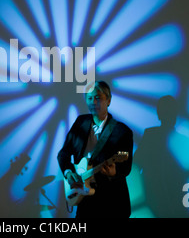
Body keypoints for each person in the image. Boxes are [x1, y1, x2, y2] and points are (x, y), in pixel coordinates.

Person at [57, 81, 133, 218]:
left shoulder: (122, 131)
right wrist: (69, 173)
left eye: (98, 97)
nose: (93, 102)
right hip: (85, 200)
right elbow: (63, 154)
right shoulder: (81, 122)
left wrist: (114, 172)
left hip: (112, 202)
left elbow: (126, 167)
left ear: (108, 100)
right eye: (90, 98)